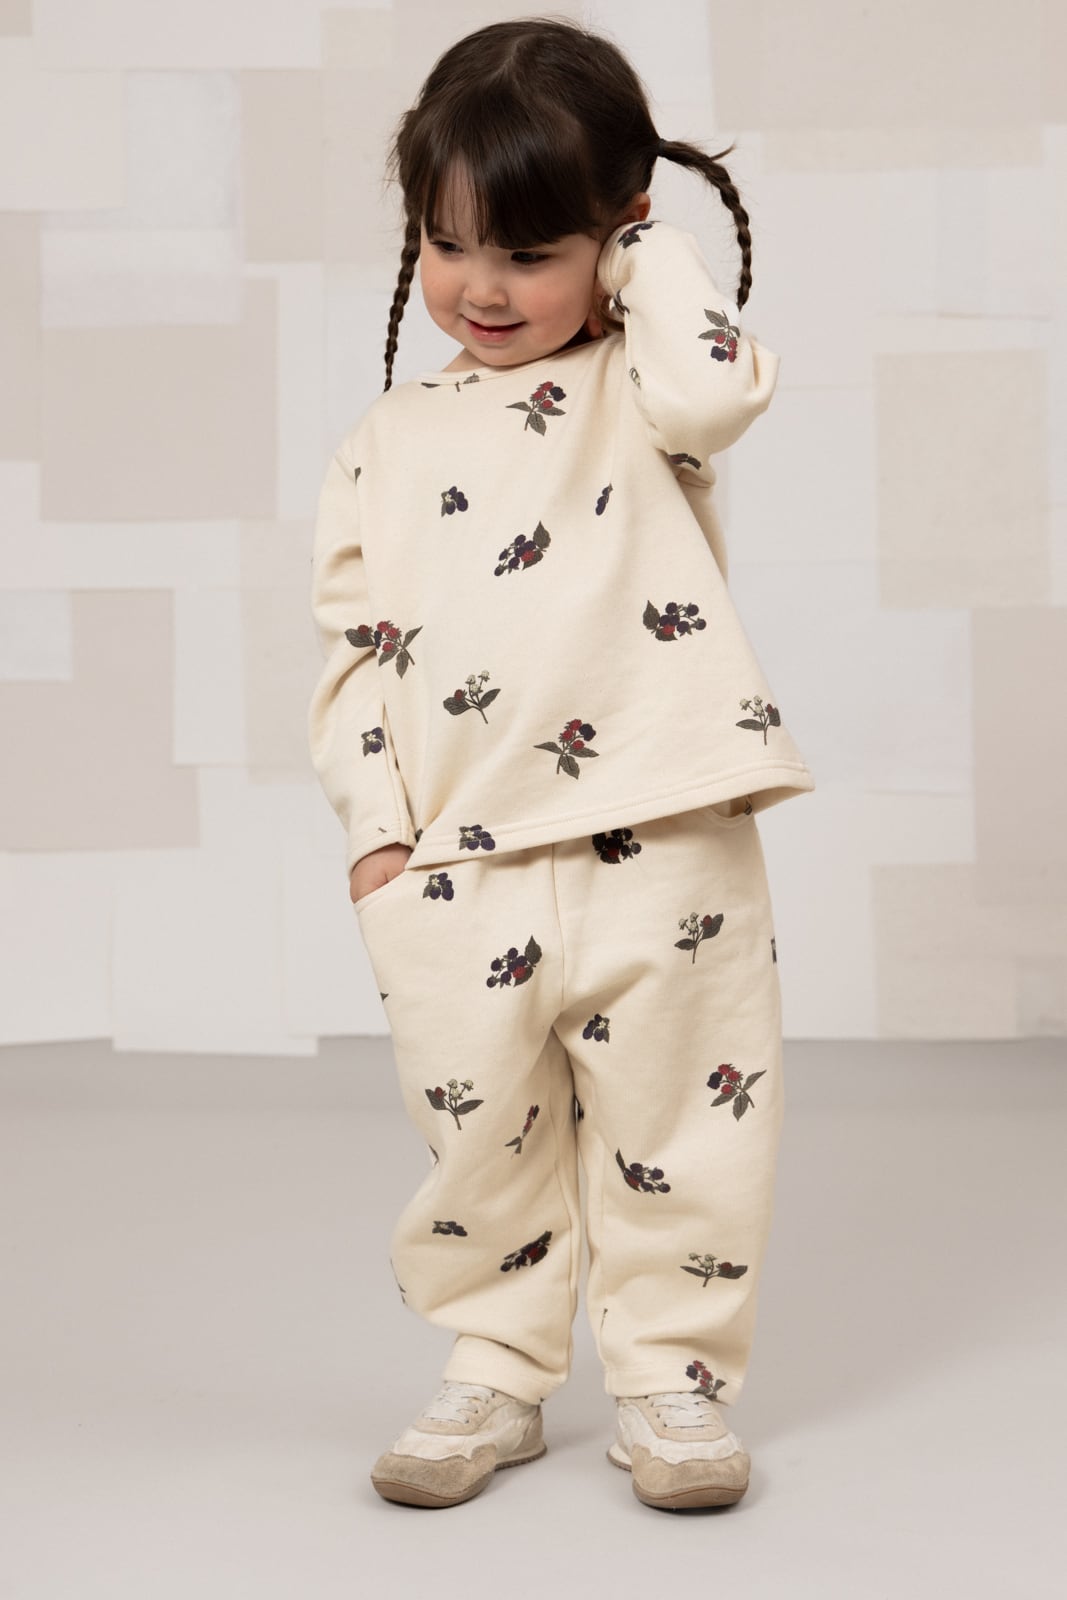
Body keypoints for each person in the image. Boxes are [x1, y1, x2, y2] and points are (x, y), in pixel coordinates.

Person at [308, 16, 815, 1513]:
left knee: (687, 1122)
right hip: (459, 855)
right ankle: (495, 1369)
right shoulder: (386, 437)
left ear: (618, 236)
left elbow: (722, 389)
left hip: (665, 830)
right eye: (447, 243)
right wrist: (375, 834)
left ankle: (671, 1380)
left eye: (530, 252)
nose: (480, 287)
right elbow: (352, 651)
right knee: (479, 1137)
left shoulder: (652, 389)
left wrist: (647, 260)